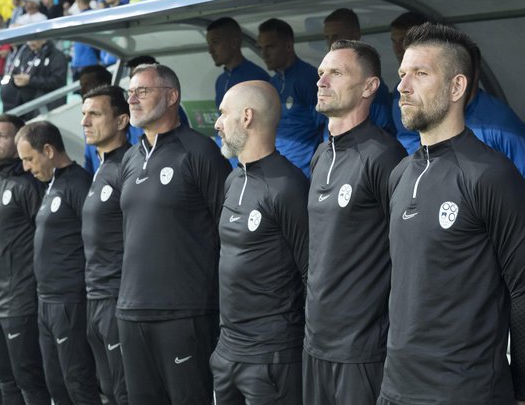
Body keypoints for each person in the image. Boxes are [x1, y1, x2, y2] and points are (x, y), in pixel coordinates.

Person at [380, 23, 525, 405]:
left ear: (457, 88)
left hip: (466, 391)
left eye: (420, 74)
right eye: (403, 74)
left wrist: (521, 393)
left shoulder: (491, 175)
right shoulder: (401, 174)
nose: (403, 86)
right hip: (396, 389)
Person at [117, 64, 230, 405]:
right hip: (131, 311)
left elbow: (226, 231)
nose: (133, 99)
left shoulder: (200, 152)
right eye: (130, 93)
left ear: (171, 96)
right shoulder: (130, 159)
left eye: (143, 91)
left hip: (184, 313)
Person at [304, 41, 406, 405]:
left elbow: (406, 254)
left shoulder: (385, 155)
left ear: (369, 87)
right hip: (314, 342)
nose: (322, 81)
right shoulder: (320, 154)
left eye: (336, 73)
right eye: (320, 73)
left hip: (362, 349)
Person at [211, 81, 309, 405]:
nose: (217, 123)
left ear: (247, 117)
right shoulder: (232, 178)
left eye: (224, 114)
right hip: (226, 352)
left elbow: (311, 273)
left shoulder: (288, 186)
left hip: (271, 357)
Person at [16, 121, 99, 405]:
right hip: (46, 301)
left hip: (69, 301)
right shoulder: (51, 185)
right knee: (56, 384)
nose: (26, 167)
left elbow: (94, 243)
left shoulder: (78, 183)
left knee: (78, 382)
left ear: (48, 150)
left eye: (29, 158)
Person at [0, 113, 51, 404]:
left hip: (20, 301)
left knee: (28, 379)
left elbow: (46, 238)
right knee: (4, 378)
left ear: (19, 141)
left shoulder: (30, 185)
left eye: (1, 136)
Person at [80, 85, 131, 405]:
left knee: (125, 391)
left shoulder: (130, 165)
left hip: (118, 297)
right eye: (83, 114)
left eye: (95, 114)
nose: (85, 121)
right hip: (95, 295)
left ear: (122, 120)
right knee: (108, 391)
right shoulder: (101, 167)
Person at [257, 19, 323, 175]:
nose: (264, 54)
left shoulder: (309, 79)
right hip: (276, 171)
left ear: (288, 46)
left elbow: (326, 128)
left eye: (270, 47)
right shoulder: (272, 83)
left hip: (304, 174)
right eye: (260, 48)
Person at [322, 9, 395, 134]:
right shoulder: (325, 82)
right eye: (327, 37)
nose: (331, 42)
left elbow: (382, 131)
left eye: (336, 36)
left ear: (354, 36)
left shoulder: (371, 85)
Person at [206, 18, 271, 108]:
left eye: (215, 42)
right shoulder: (220, 81)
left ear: (234, 43)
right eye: (209, 44)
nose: (210, 50)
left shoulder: (257, 78)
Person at [0, 39, 68, 115]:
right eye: (28, 40)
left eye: (33, 40)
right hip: (26, 103)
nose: (30, 43)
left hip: (48, 104)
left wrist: (30, 80)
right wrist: (16, 80)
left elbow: (57, 81)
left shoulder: (57, 56)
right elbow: (16, 71)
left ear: (44, 39)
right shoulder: (27, 53)